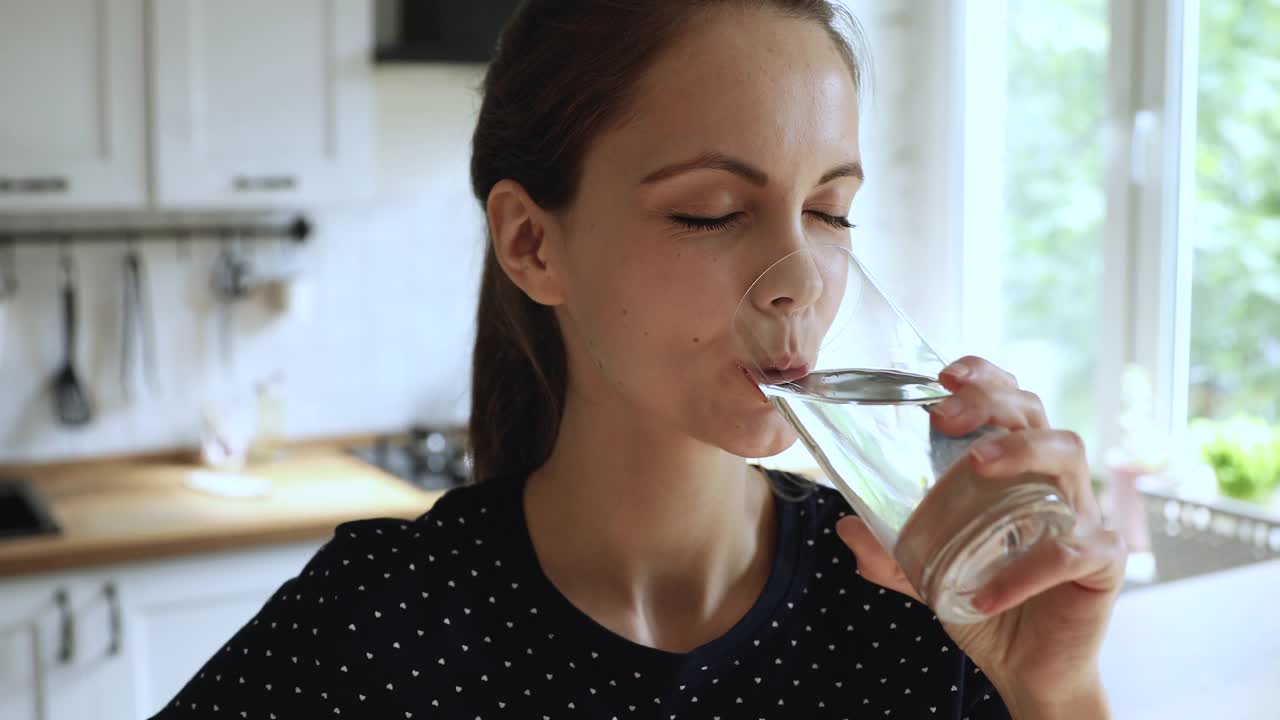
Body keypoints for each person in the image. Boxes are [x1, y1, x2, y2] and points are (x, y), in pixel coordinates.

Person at [151, 1, 1125, 718]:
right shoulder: (375, 630)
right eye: (710, 211)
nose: (799, 281)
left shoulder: (911, 603)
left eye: (828, 212)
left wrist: (1053, 688)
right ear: (533, 244)